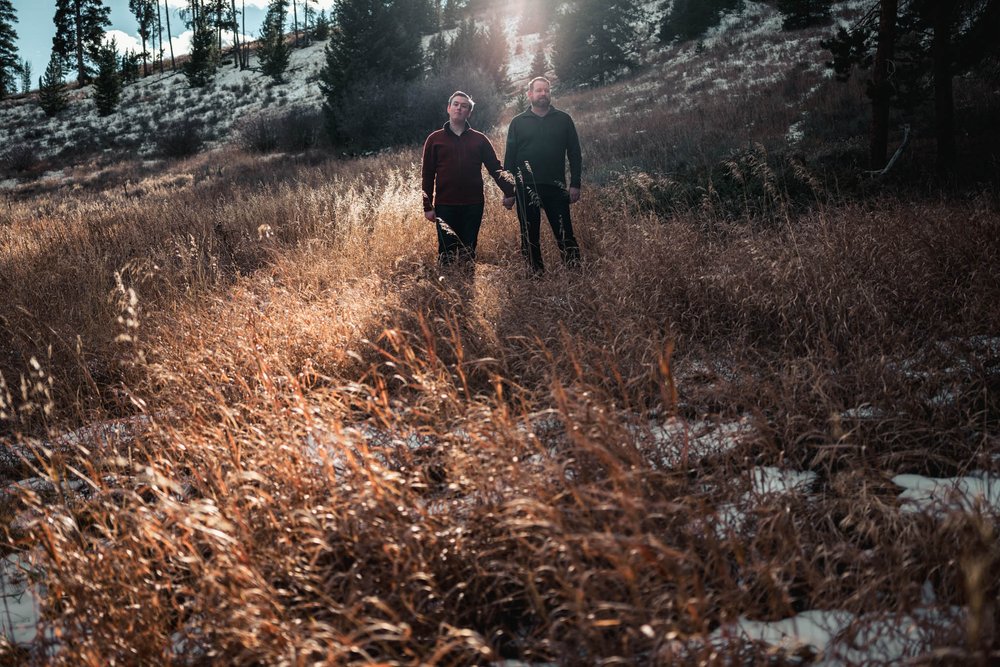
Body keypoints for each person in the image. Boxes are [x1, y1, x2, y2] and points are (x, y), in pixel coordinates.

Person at [421, 90, 514, 266]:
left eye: (464, 106)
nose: (459, 108)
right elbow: (427, 174)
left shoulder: (479, 139)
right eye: (455, 104)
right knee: (446, 253)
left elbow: (495, 168)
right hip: (445, 205)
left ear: (469, 112)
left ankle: (467, 288)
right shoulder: (434, 139)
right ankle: (448, 289)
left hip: (473, 204)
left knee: (469, 252)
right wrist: (427, 206)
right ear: (448, 108)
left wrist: (509, 191)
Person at [503, 77, 582, 275]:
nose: (543, 94)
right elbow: (509, 159)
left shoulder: (563, 119)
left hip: (556, 186)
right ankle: (535, 275)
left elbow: (574, 153)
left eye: (546, 90)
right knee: (529, 235)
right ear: (530, 94)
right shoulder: (518, 122)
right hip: (525, 187)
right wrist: (508, 191)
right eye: (538, 90)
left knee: (565, 233)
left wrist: (575, 184)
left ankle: (575, 273)